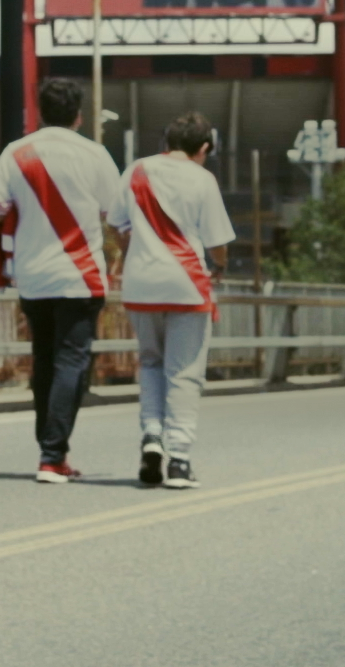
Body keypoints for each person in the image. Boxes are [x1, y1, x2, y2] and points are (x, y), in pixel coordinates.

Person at [0, 78, 122, 484]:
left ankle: (51, 451)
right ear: (79, 114)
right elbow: (115, 215)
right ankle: (52, 454)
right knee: (72, 361)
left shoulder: (16, 153)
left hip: (33, 274)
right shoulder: (94, 154)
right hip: (80, 275)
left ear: (40, 112)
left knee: (44, 360)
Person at [107, 112, 235, 489]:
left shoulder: (136, 171)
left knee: (149, 363)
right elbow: (217, 241)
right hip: (187, 284)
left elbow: (116, 225)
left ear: (167, 142)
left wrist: (133, 251)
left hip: (141, 283)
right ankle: (178, 458)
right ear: (204, 148)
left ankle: (151, 437)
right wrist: (221, 266)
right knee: (184, 373)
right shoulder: (203, 179)